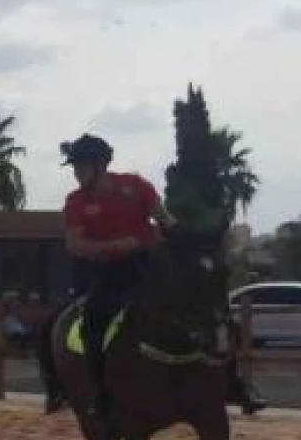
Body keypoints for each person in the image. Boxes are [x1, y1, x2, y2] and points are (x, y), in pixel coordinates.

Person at [55, 134, 266, 418]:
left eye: (80, 166)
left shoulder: (136, 187)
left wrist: (190, 242)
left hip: (148, 266)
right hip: (106, 273)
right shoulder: (76, 202)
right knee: (93, 320)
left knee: (209, 309)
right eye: (75, 168)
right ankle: (98, 392)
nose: (77, 173)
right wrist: (115, 247)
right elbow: (75, 246)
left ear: (100, 165)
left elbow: (166, 220)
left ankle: (235, 383)